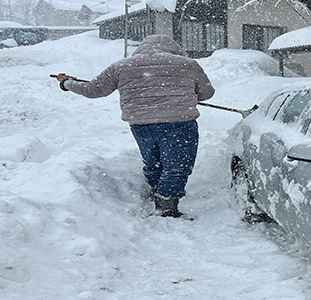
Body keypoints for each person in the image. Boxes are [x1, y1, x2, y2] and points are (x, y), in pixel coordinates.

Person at [53, 34, 215, 218]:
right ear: (174, 48)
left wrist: (67, 83)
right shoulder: (187, 64)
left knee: (154, 162)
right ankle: (166, 207)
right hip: (178, 123)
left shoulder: (122, 66)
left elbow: (93, 89)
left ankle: (157, 193)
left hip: (141, 125)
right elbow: (207, 93)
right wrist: (186, 93)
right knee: (177, 166)